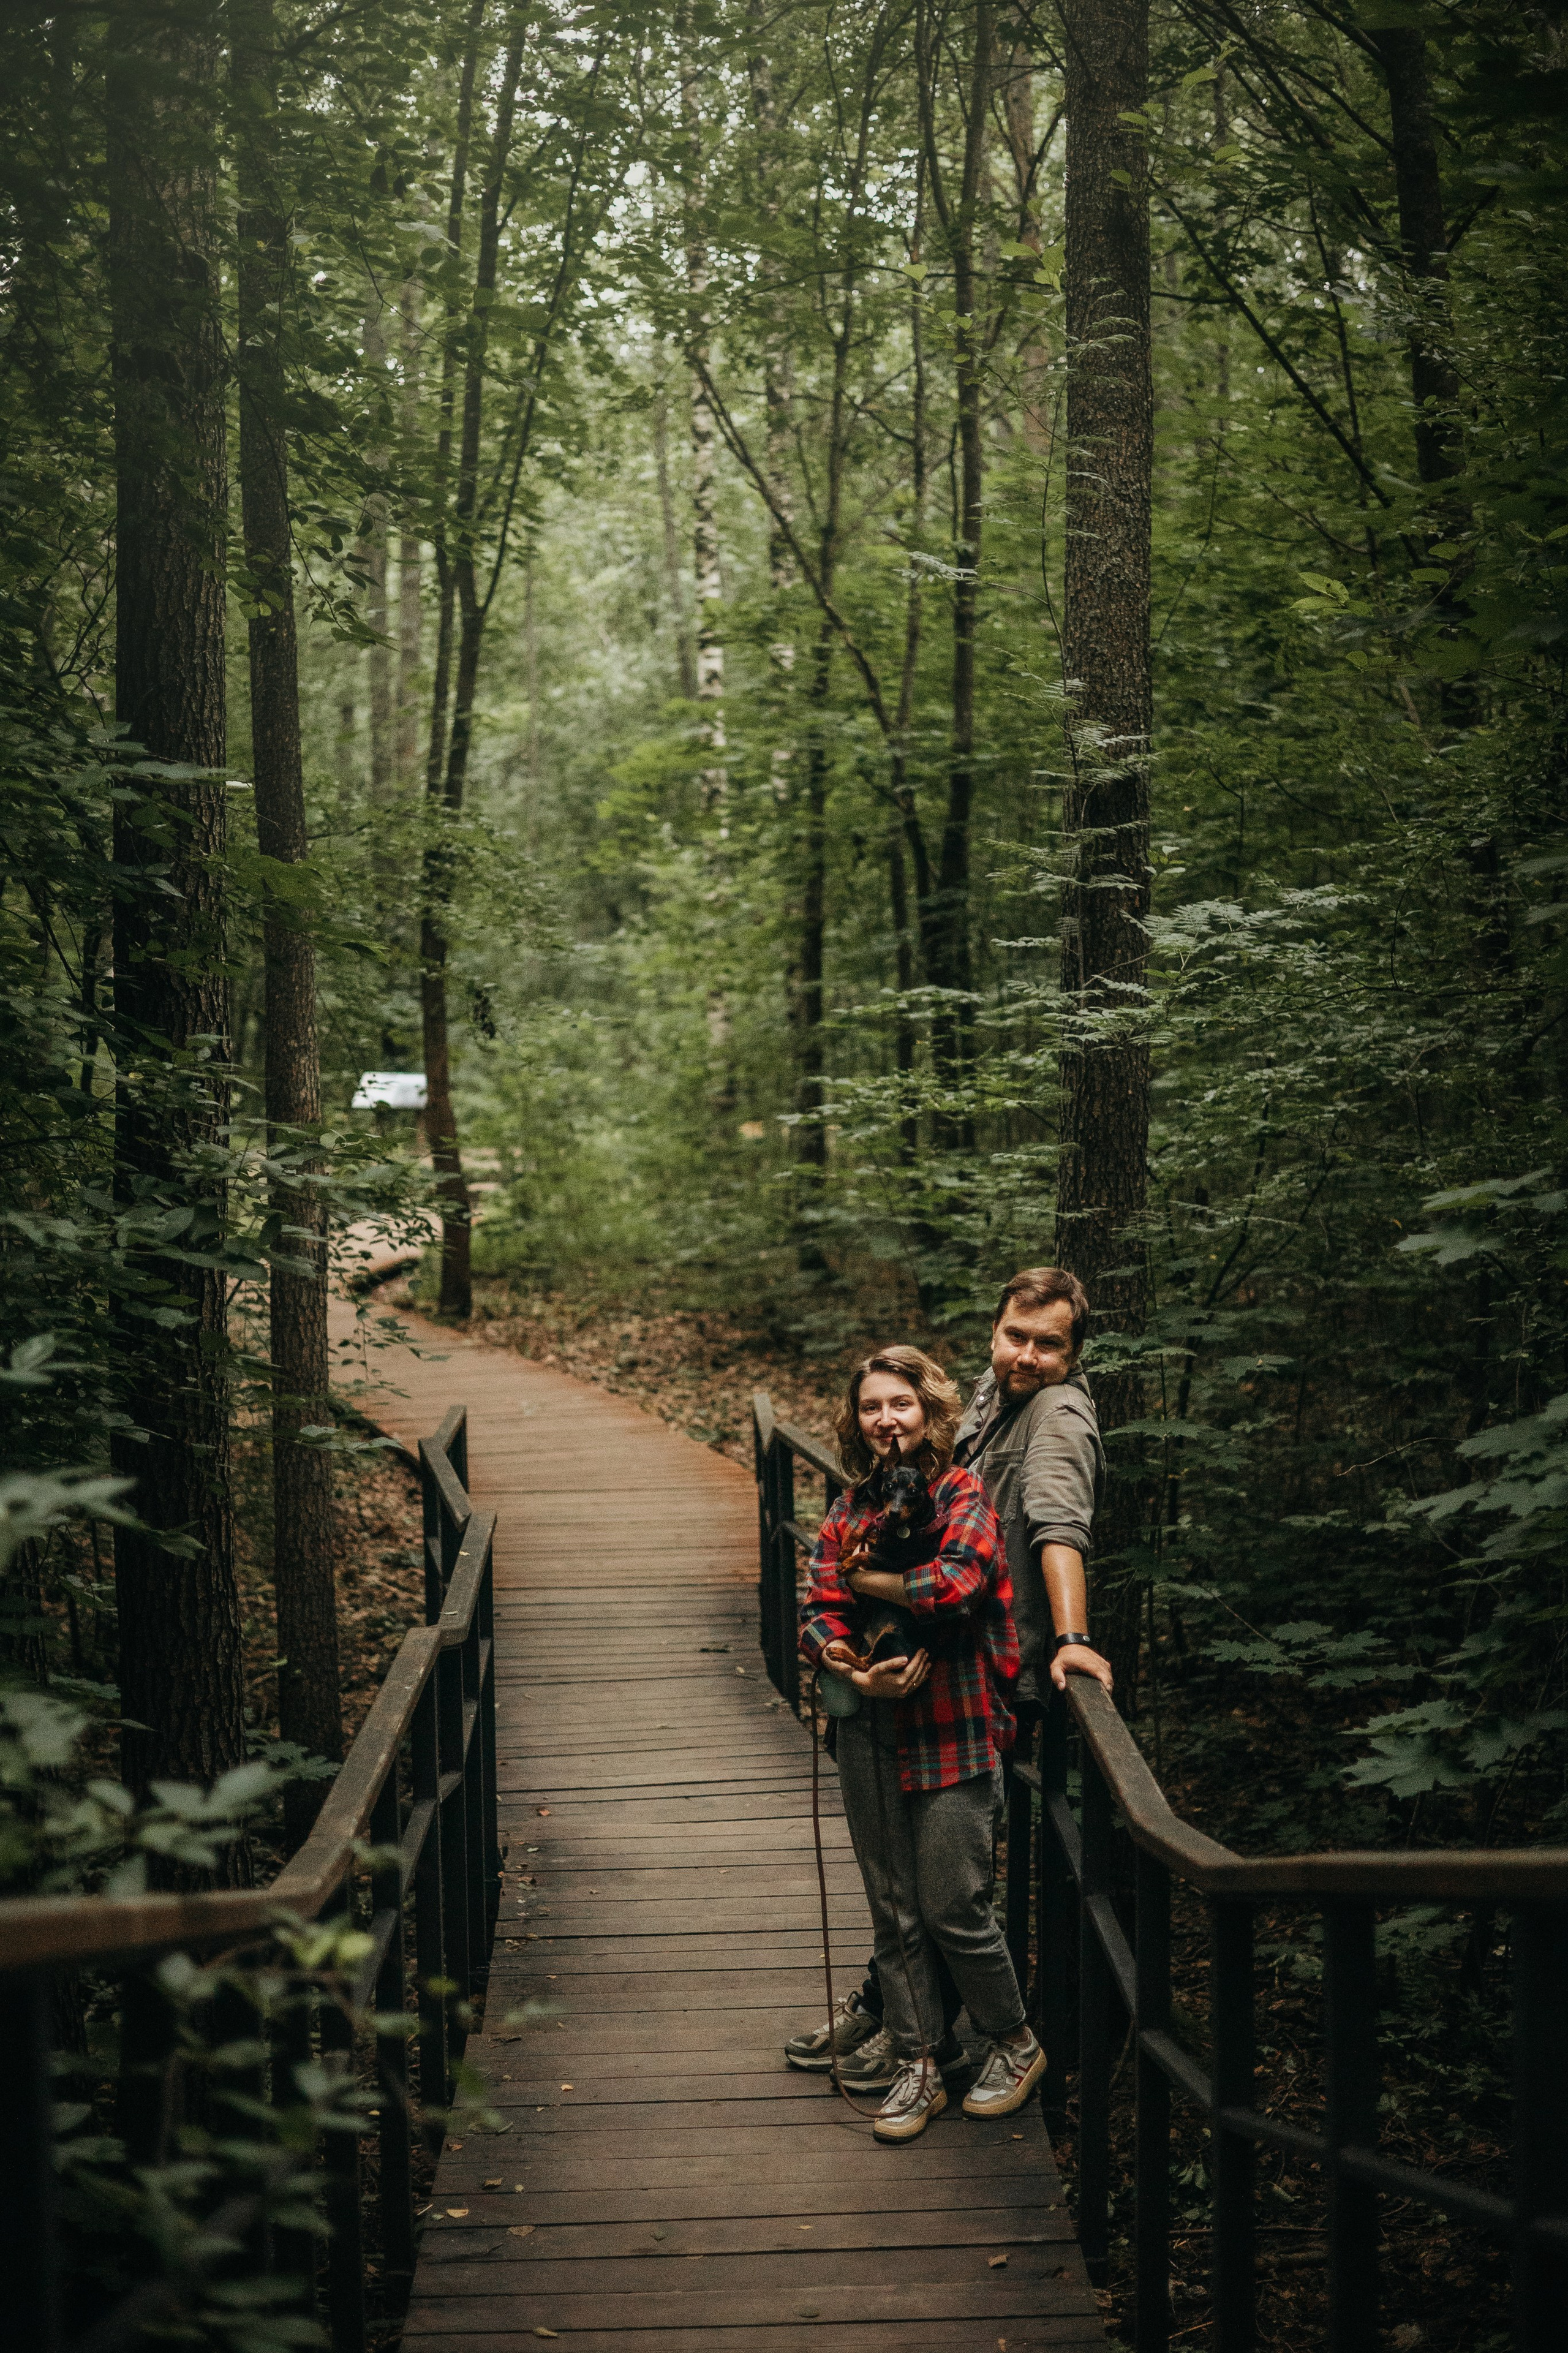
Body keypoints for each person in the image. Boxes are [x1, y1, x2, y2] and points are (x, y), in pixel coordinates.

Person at [784, 1268, 1115, 2088]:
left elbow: (1055, 1523)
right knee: (902, 1880)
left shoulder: (1059, 1414)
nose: (1029, 1355)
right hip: (884, 1690)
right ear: (995, 1331)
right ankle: (907, 2025)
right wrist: (844, 1654)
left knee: (948, 1883)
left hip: (979, 1675)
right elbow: (822, 1592)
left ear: (1075, 1354)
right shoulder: (984, 1397)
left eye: (1050, 1344)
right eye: (1017, 1336)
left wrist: (1071, 1636)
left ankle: (989, 2035)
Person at [793, 1345, 1046, 2144]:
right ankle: (921, 2060)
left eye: (899, 1403)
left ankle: (1015, 2041)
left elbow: (955, 1586)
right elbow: (814, 1606)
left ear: (930, 1410)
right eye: (872, 1406)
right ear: (856, 1418)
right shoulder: (849, 1504)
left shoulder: (963, 1493)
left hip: (956, 1730)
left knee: (954, 1905)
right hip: (868, 1731)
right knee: (894, 1913)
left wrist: (862, 1581)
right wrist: (848, 1664)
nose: (886, 1419)